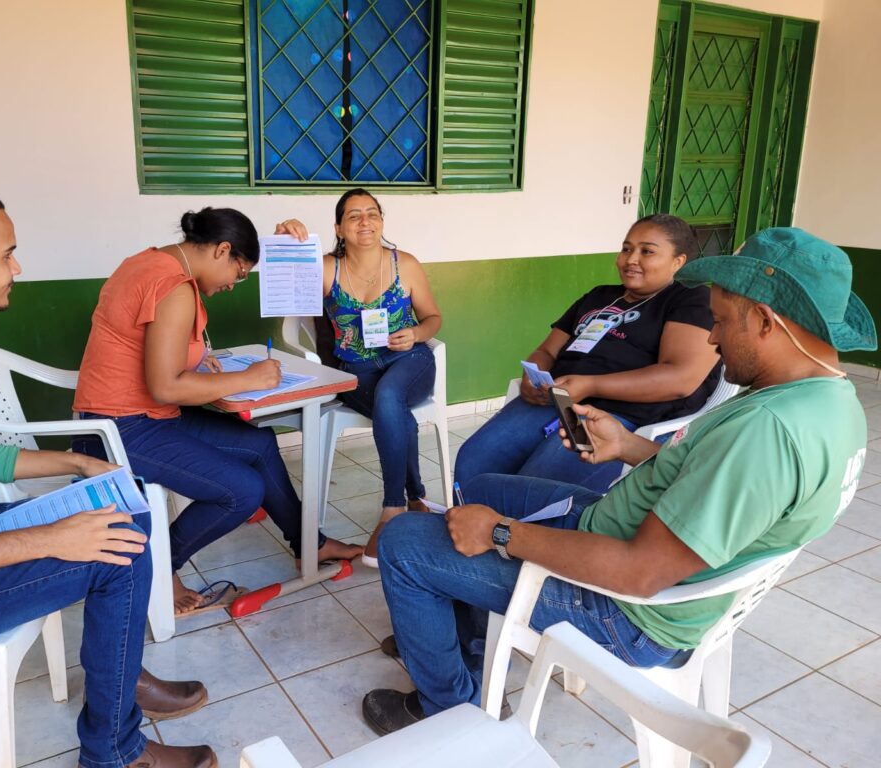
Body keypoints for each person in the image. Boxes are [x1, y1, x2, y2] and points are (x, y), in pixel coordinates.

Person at [361, 227, 875, 735]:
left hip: (622, 610)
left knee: (404, 541)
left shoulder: (768, 432)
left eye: (719, 322)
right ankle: (462, 638)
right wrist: (629, 447)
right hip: (624, 536)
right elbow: (719, 479)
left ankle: (448, 710)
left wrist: (500, 533)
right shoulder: (829, 400)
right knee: (483, 489)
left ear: (765, 321)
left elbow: (639, 573)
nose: (712, 339)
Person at [0, 178, 216, 768]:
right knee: (117, 552)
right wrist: (51, 539)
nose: (17, 268)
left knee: (123, 510)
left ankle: (122, 678)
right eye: (7, 255)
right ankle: (115, 751)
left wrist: (76, 462)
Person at [73, 207, 362, 616]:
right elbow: (165, 386)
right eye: (239, 273)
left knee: (260, 443)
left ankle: (309, 546)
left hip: (133, 416)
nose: (232, 285)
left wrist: (194, 356)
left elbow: (147, 349)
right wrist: (248, 379)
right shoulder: (174, 288)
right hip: (118, 430)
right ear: (222, 250)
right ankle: (160, 566)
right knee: (242, 491)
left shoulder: (148, 261)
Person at [455, 214, 722, 493]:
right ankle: (464, 520)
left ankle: (502, 522)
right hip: (558, 400)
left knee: (535, 484)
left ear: (678, 261)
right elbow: (547, 349)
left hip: (618, 416)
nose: (631, 259)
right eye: (626, 249)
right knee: (474, 460)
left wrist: (590, 385)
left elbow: (681, 378)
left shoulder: (690, 300)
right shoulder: (600, 296)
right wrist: (533, 374)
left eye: (647, 252)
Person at [320, 188, 443, 568]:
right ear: (339, 228)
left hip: (409, 359)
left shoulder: (405, 264)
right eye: (354, 215)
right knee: (394, 411)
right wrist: (288, 240)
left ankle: (392, 509)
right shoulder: (325, 268)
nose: (365, 221)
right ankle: (415, 496)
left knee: (390, 395)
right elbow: (284, 288)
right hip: (356, 371)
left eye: (372, 213)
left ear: (382, 221)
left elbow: (433, 318)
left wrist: (416, 334)